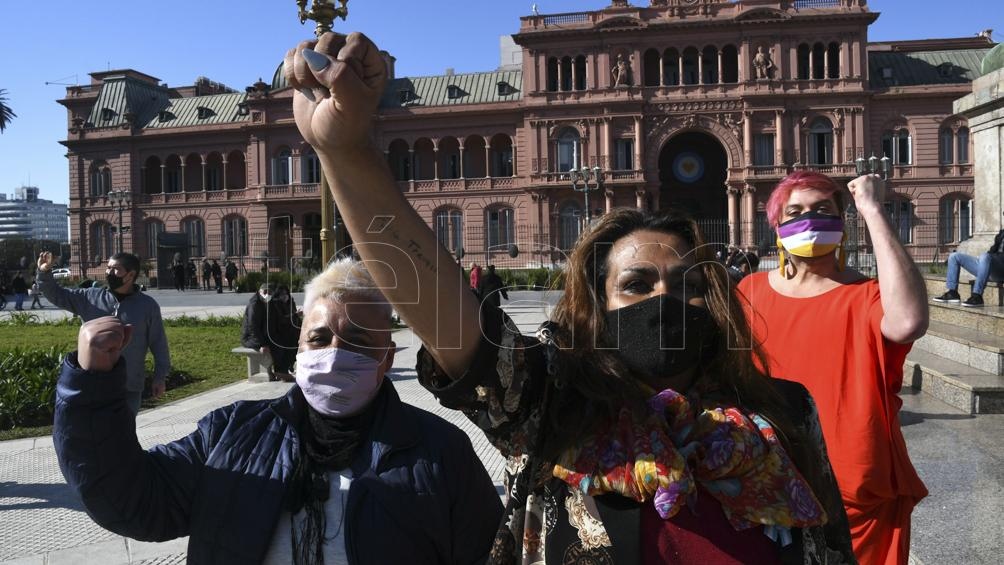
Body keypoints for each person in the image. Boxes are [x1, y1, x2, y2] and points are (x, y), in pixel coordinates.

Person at [286, 33, 854, 563]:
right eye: (636, 284)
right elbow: (447, 314)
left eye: (687, 285)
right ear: (595, 308)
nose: (666, 299)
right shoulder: (553, 407)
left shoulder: (785, 414)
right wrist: (348, 153)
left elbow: (830, 549)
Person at [53, 258, 503, 564]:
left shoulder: (441, 454)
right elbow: (132, 501)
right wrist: (90, 384)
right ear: (299, 347)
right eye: (319, 338)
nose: (335, 353)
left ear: (387, 359)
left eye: (360, 342)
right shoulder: (232, 435)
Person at [737, 171, 929, 565]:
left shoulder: (868, 296)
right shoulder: (749, 292)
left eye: (823, 209)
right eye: (795, 212)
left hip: (858, 494)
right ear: (777, 227)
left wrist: (872, 209)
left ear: (842, 224)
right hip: (770, 484)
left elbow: (909, 321)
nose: (809, 219)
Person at [37, 251, 170, 414]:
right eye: (108, 268)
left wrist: (160, 377)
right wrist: (44, 272)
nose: (108, 272)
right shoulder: (89, 297)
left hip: (128, 386)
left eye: (115, 269)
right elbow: (57, 295)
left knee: (123, 433)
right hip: (91, 384)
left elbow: (158, 343)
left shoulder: (147, 306)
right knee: (93, 433)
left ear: (131, 274)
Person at [933, 227, 1004, 307]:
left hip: (1001, 271)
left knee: (985, 256)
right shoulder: (1002, 233)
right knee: (954, 256)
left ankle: (977, 296)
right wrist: (985, 260)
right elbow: (992, 251)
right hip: (990, 268)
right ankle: (952, 293)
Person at [267, 284, 300, 381]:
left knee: (295, 347)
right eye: (282, 294)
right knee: (284, 350)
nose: (285, 296)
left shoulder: (290, 301)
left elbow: (294, 315)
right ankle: (282, 372)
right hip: (280, 332)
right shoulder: (275, 303)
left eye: (286, 293)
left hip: (291, 331)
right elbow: (280, 319)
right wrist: (294, 314)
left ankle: (289, 369)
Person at [241, 282, 274, 376]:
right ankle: (268, 372)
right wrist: (261, 344)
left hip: (261, 335)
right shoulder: (254, 304)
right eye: (265, 291)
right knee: (271, 348)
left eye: (270, 292)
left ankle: (280, 369)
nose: (268, 294)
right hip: (250, 338)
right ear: (260, 291)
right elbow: (252, 327)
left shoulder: (266, 302)